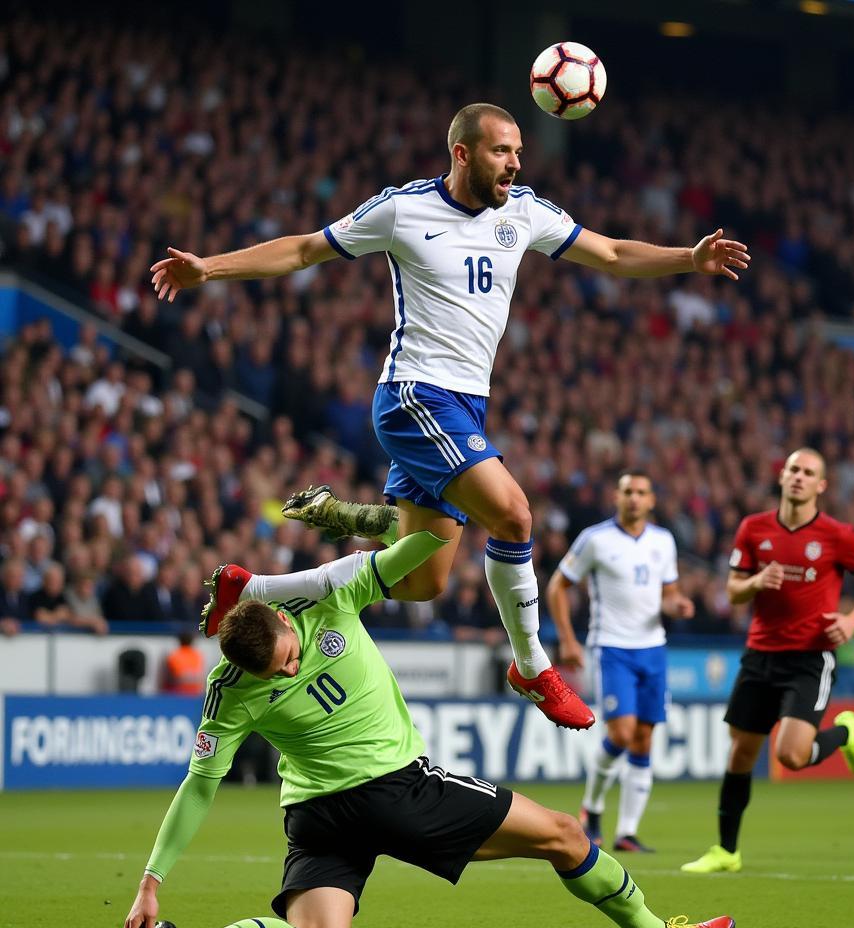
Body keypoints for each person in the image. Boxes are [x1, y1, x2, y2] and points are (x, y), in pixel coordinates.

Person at [150, 102, 750, 733]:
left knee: (422, 579)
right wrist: (209, 268)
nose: (515, 165)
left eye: (519, 152)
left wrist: (690, 257)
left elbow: (611, 254)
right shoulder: (402, 209)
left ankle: (249, 591)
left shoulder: (525, 211)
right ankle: (532, 663)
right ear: (462, 153)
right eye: (501, 152)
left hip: (467, 404)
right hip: (415, 395)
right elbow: (302, 250)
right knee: (514, 514)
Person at [88, 532, 736, 928]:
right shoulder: (317, 613)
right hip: (397, 792)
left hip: (317, 817)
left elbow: (415, 549)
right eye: (277, 676)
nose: (286, 675)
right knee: (566, 835)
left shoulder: (270, 648)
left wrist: (372, 520)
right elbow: (200, 783)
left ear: (283, 619)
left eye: (287, 663)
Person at [681, 448, 854, 875]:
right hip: (759, 655)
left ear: (820, 485)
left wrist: (852, 619)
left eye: (808, 473)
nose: (798, 477)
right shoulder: (754, 529)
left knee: (790, 755)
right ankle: (726, 851)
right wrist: (757, 580)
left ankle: (844, 733)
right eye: (793, 469)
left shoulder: (838, 535)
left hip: (809, 658)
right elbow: (733, 592)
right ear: (782, 476)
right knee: (740, 753)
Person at [546, 471, 693, 853]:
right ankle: (592, 808)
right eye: (628, 491)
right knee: (622, 734)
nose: (634, 498)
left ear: (651, 501)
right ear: (617, 496)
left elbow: (668, 592)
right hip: (612, 648)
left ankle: (627, 832)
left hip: (653, 648)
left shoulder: (663, 541)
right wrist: (566, 639)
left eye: (641, 492)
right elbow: (557, 586)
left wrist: (676, 604)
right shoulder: (595, 539)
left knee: (644, 739)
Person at [159, 632, 207, 697]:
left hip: (177, 692)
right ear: (191, 642)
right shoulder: (198, 656)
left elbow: (166, 677)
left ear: (179, 641)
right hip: (195, 692)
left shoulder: (174, 655)